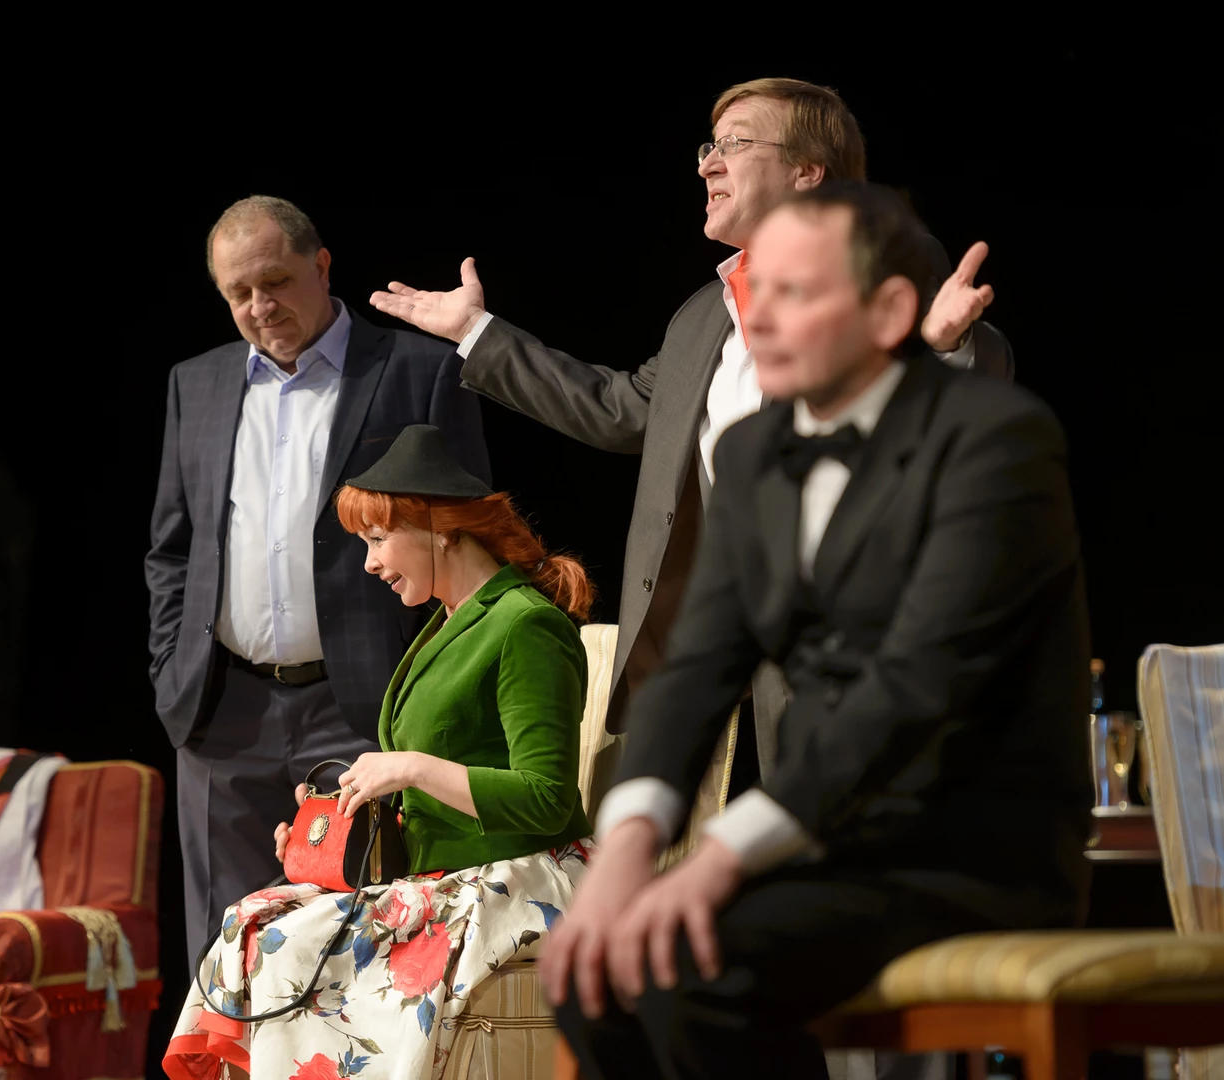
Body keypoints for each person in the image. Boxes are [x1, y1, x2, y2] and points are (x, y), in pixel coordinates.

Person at [535, 181, 1092, 1078]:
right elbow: (700, 663)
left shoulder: (990, 439)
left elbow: (916, 683)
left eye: (794, 293)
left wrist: (721, 853)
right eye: (757, 292)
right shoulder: (755, 454)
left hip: (962, 846)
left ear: (889, 313)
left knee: (688, 970)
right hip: (817, 845)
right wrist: (626, 846)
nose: (757, 318)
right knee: (593, 977)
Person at [369, 77, 1013, 790]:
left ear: (807, 172)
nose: (708, 163)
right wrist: (473, 331)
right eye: (709, 145)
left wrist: (948, 346)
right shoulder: (705, 316)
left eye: (735, 144)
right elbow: (615, 408)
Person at [163, 423, 593, 1080]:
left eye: (377, 539)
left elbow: (546, 798)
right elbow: (437, 794)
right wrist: (339, 832)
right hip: (453, 869)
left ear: (439, 527)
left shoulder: (525, 623)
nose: (368, 563)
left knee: (288, 946)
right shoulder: (450, 621)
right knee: (250, 920)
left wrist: (410, 768)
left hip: (523, 876)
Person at [148, 196, 490, 968]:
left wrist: (431, 690)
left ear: (321, 265)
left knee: (359, 947)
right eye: (238, 293)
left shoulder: (415, 370)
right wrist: (172, 671)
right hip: (220, 712)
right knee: (224, 955)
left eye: (275, 282)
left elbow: (464, 544)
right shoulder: (196, 384)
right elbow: (172, 550)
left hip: (361, 705)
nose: (259, 307)